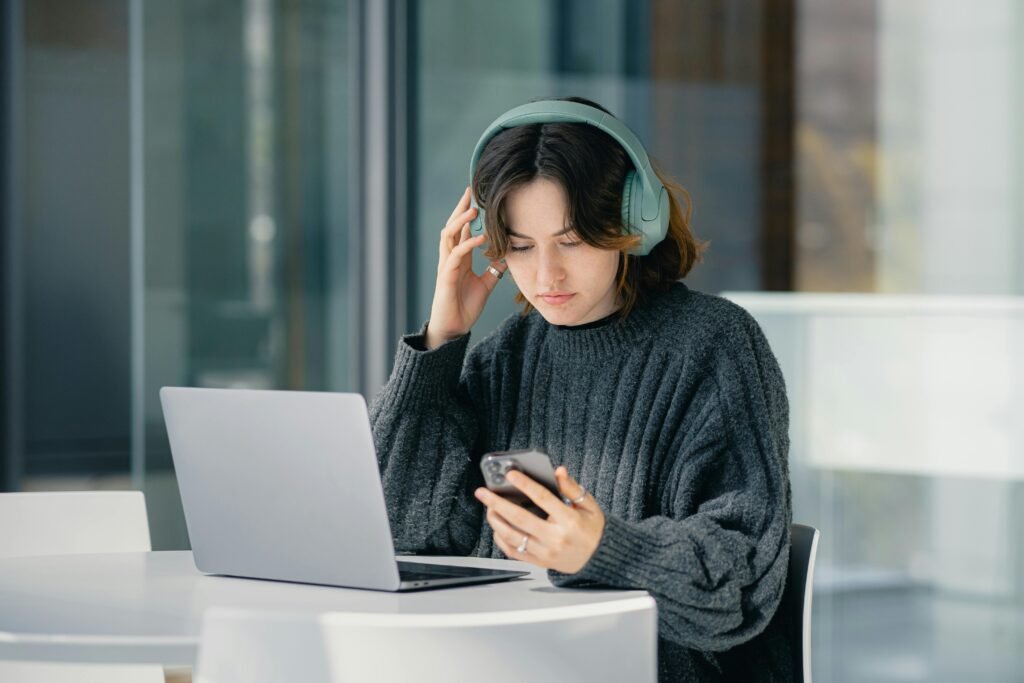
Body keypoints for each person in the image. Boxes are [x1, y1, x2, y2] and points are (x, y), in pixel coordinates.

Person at [369, 96, 793, 682]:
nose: (546, 276)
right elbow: (406, 534)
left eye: (570, 241)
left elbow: (740, 580)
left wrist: (602, 549)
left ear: (632, 223)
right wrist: (442, 341)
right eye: (520, 246)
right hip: (500, 663)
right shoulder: (505, 357)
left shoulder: (715, 346)